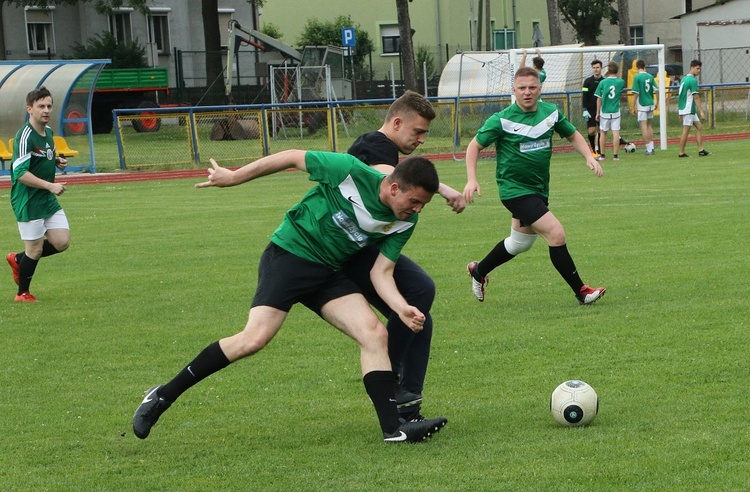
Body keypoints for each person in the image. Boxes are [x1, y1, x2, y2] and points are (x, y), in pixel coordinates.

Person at [132, 150, 448, 443]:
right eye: (415, 201)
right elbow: (291, 157)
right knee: (253, 340)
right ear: (394, 188)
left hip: (328, 272)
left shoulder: (405, 220)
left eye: (423, 205)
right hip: (289, 257)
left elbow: (381, 272)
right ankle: (162, 395)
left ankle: (394, 430)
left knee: (374, 333)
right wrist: (233, 177)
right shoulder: (348, 171)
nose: (417, 209)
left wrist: (400, 307)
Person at [346, 90, 465, 421]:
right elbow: (393, 177)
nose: (422, 140)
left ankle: (408, 405)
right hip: (348, 249)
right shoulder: (373, 144)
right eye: (418, 132)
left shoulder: (383, 148)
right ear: (397, 123)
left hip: (366, 246)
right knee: (421, 290)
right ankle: (391, 377)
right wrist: (441, 188)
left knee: (417, 318)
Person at [463, 67, 606, 306]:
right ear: (514, 91)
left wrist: (589, 156)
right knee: (556, 233)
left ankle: (479, 270)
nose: (527, 92)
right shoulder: (501, 119)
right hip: (514, 191)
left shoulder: (551, 112)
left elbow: (573, 136)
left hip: (538, 189)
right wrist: (471, 178)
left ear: (540, 89)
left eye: (532, 87)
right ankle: (582, 292)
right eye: (522, 88)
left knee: (519, 243)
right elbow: (474, 146)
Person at [6, 86, 69, 302]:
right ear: (29, 109)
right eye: (41, 106)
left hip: (45, 197)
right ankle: (22, 293)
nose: (46, 110)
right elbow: (20, 173)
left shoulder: (48, 132)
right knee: (34, 249)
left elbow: (44, 155)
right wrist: (51, 186)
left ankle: (18, 259)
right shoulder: (25, 135)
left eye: (49, 106)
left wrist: (57, 161)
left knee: (62, 241)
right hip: (28, 199)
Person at [677, 59, 710, 158]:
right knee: (686, 131)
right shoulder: (692, 80)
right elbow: (696, 97)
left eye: (700, 69)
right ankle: (681, 153)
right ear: (691, 68)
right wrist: (701, 111)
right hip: (688, 109)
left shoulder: (684, 79)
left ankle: (701, 150)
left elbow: (680, 95)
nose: (699, 71)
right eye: (697, 68)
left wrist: (680, 111)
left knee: (699, 127)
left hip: (685, 108)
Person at [595, 61, 626, 162]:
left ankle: (602, 155)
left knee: (603, 133)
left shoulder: (603, 82)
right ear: (617, 70)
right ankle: (615, 156)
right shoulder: (621, 82)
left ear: (608, 70)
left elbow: (599, 99)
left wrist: (597, 113)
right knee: (616, 132)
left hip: (605, 111)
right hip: (616, 111)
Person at [631, 59, 658, 156]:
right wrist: (657, 102)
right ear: (644, 67)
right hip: (650, 103)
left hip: (642, 104)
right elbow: (657, 90)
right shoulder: (650, 76)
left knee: (643, 126)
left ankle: (648, 149)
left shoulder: (637, 77)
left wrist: (633, 106)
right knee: (649, 125)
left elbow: (635, 93)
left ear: (637, 67)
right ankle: (652, 147)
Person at [581, 59, 604, 156]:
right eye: (594, 68)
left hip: (602, 110)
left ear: (601, 68)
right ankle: (593, 150)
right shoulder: (587, 81)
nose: (596, 70)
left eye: (597, 67)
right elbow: (584, 96)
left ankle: (599, 151)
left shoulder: (604, 81)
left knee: (601, 131)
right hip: (590, 110)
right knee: (591, 131)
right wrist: (584, 109)